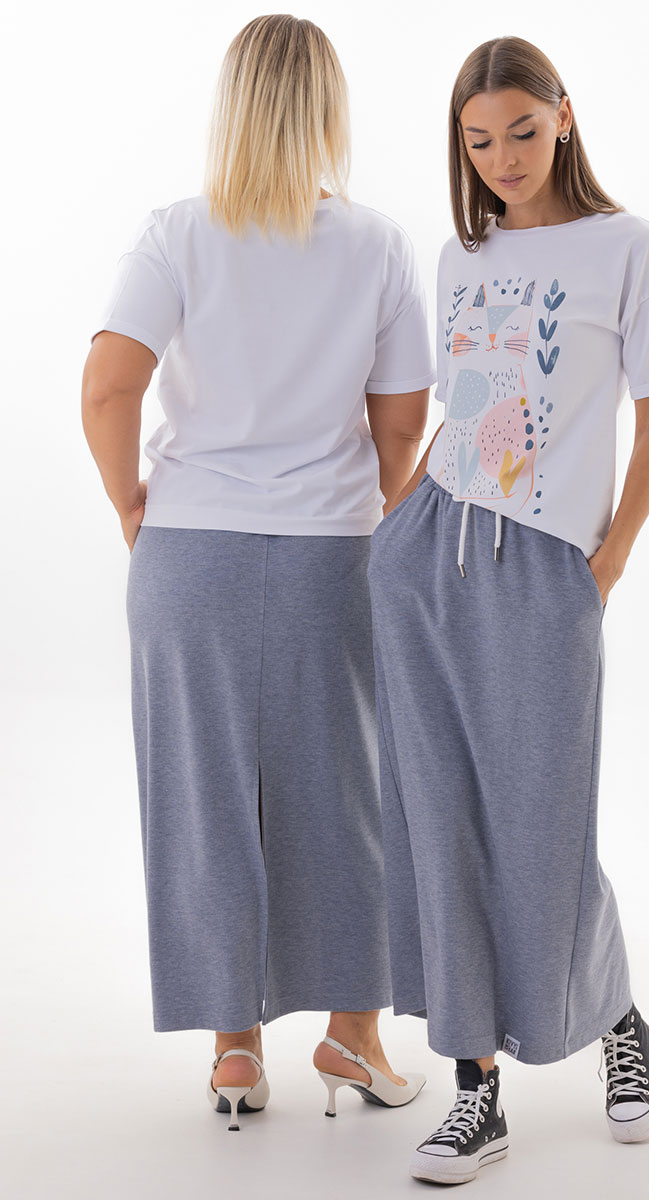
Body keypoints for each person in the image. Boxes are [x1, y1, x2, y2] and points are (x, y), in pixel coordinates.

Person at [80, 14, 434, 1132]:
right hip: (334, 556)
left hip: (188, 556)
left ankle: (235, 1049)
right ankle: (353, 1034)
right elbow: (400, 430)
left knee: (205, 800)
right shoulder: (376, 244)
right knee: (350, 797)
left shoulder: (176, 233)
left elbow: (107, 387)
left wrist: (132, 504)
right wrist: (385, 515)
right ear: (327, 111)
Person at [366, 35, 649, 1185]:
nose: (502, 158)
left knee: (543, 827)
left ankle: (618, 1022)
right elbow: (463, 408)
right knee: (439, 823)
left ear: (562, 115)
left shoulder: (627, 248)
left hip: (547, 568)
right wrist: (396, 530)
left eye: (519, 129)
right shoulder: (461, 255)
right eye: (477, 141)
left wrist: (604, 566)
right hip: (428, 557)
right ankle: (475, 1093)